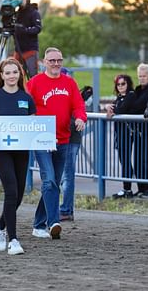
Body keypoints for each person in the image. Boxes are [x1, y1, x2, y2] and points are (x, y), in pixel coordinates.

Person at [26, 47, 86, 240]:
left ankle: (38, 224)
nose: (56, 64)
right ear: (44, 62)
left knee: (54, 183)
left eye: (59, 60)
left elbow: (78, 105)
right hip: (42, 139)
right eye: (52, 60)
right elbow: (25, 104)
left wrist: (80, 118)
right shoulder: (35, 82)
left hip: (64, 139)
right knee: (49, 180)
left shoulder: (69, 83)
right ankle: (53, 222)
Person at [0, 58, 36, 254]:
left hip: (22, 151)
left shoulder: (27, 98)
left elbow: (32, 126)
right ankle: (13, 240)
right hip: (1, 150)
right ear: (2, 76)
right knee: (11, 191)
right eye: (8, 73)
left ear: (20, 74)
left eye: (15, 72)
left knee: (19, 195)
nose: (12, 76)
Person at [59, 68, 86, 221]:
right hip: (63, 137)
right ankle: (65, 209)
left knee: (67, 176)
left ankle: (66, 210)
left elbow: (78, 111)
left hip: (70, 138)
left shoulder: (71, 93)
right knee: (63, 176)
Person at [105, 74, 137, 199]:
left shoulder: (131, 95)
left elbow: (121, 110)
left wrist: (111, 108)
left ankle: (127, 189)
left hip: (128, 133)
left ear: (128, 84)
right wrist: (109, 107)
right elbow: (114, 108)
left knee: (125, 161)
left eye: (123, 84)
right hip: (120, 133)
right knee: (123, 161)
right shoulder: (119, 97)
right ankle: (126, 188)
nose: (120, 86)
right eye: (118, 84)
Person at [131, 63, 148, 197]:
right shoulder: (138, 89)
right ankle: (141, 188)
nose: (141, 78)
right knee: (138, 159)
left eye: (144, 76)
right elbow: (135, 105)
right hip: (138, 131)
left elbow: (138, 105)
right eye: (139, 76)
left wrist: (131, 106)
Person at [13, 0, 42, 78]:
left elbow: (38, 28)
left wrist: (25, 30)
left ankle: (33, 91)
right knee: (16, 75)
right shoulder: (17, 13)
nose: (21, 1)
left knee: (33, 75)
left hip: (30, 49)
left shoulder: (34, 12)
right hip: (18, 49)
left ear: (27, 0)